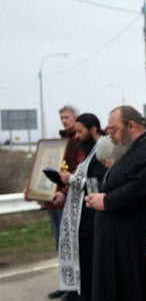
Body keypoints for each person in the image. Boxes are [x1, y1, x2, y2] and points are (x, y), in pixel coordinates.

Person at [85, 106, 146, 301]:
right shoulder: (130, 151)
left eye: (113, 130)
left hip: (137, 249)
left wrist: (106, 201)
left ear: (131, 125)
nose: (110, 136)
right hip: (121, 246)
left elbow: (139, 188)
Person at [22, 105, 84, 300]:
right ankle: (65, 284)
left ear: (76, 118)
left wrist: (64, 192)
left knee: (72, 246)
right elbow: (48, 169)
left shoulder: (79, 144)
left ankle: (76, 288)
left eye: (67, 117)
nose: (64, 121)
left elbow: (77, 172)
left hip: (69, 202)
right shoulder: (60, 143)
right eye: (61, 118)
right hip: (54, 203)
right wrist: (31, 186)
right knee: (60, 246)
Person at [56, 113, 108, 301]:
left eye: (79, 131)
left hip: (92, 221)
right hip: (82, 220)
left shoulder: (103, 148)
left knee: (91, 266)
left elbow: (99, 181)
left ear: (93, 129)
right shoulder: (89, 152)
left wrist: (70, 179)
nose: (76, 136)